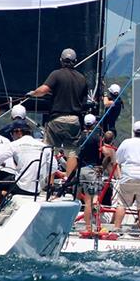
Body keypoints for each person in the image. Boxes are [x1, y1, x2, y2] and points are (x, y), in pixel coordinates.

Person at [27, 48, 88, 184]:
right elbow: (84, 102)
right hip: (74, 119)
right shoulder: (82, 78)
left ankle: (49, 183)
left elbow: (43, 90)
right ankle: (68, 183)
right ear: (75, 61)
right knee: (71, 152)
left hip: (57, 118)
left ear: (61, 60)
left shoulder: (56, 74)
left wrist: (32, 93)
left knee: (50, 150)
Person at [77, 114, 103, 232]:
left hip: (80, 170)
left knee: (82, 199)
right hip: (91, 170)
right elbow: (101, 154)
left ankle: (85, 225)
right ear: (94, 124)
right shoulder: (97, 138)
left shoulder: (79, 137)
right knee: (91, 201)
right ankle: (90, 227)